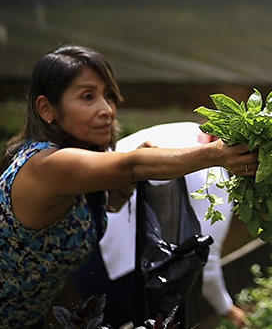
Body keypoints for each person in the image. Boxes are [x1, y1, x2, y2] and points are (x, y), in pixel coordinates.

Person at [0, 46, 257, 329]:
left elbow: (112, 199)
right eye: (88, 96)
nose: (107, 109)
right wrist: (216, 154)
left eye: (108, 95)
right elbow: (130, 166)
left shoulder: (76, 163)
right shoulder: (45, 165)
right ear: (47, 108)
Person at [72, 121, 248, 328]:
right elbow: (206, 262)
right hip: (114, 263)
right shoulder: (214, 184)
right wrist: (226, 308)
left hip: (80, 230)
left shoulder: (189, 130)